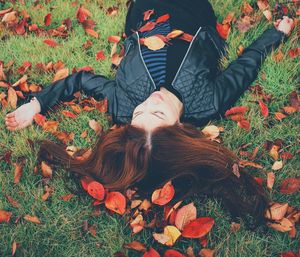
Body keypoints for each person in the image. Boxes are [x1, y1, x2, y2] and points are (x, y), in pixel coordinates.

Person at [4, 0, 294, 223]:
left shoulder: (123, 105)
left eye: (138, 117)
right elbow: (246, 65)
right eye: (157, 115)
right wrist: (277, 33)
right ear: (179, 127)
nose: (149, 104)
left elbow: (79, 80)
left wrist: (36, 105)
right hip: (194, 12)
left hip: (146, 12)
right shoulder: (209, 102)